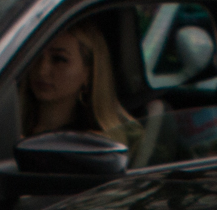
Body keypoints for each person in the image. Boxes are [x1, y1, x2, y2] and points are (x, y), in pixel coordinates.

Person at [18, 22, 143, 157]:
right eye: (35, 55)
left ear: (89, 73)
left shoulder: (94, 145)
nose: (42, 70)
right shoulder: (6, 121)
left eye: (59, 59)